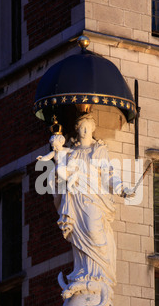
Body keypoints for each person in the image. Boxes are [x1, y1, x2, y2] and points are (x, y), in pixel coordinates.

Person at [56, 113, 134, 287]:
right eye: (81, 127)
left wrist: (122, 188)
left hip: (94, 198)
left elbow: (109, 175)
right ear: (77, 130)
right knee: (78, 236)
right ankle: (83, 270)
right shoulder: (73, 153)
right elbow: (63, 176)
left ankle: (100, 272)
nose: (84, 130)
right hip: (76, 198)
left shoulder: (98, 150)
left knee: (94, 230)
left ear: (92, 129)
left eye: (87, 127)